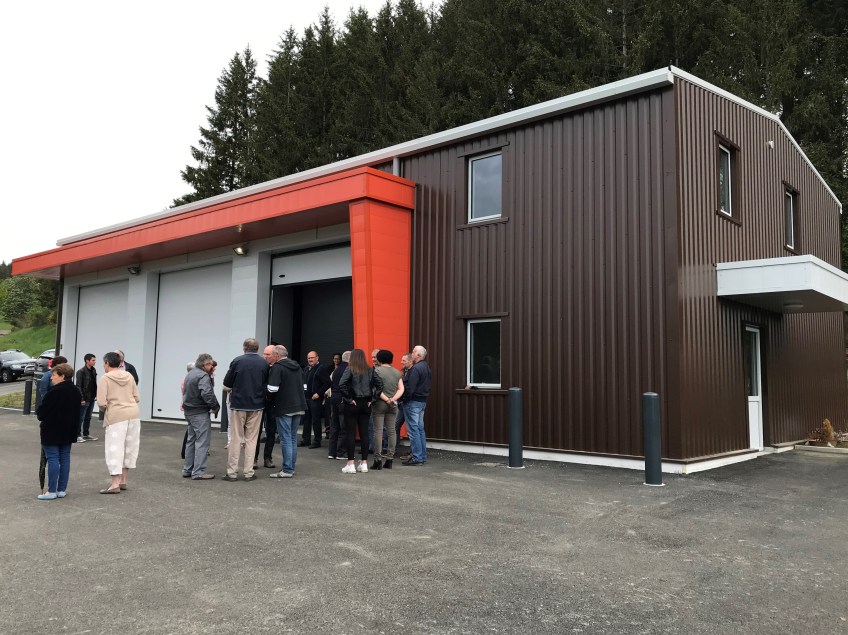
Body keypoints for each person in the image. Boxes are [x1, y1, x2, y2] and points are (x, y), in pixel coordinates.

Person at [222, 338, 268, 482]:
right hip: (257, 405)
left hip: (238, 404)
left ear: (244, 348)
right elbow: (266, 384)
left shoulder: (237, 361)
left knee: (236, 438)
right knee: (251, 439)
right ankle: (249, 472)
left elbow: (227, 382)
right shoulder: (264, 363)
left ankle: (232, 473)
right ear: (257, 349)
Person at [96, 351, 141, 493]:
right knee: (129, 447)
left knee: (114, 448)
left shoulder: (105, 378)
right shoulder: (129, 376)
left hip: (116, 415)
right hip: (133, 414)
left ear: (107, 363)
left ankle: (115, 483)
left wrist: (109, 408)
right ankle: (123, 480)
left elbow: (101, 402)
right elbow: (137, 397)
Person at [36, 363, 81, 500]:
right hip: (69, 429)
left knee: (53, 458)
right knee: (65, 458)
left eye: (54, 375)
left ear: (62, 376)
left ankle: (51, 491)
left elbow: (41, 413)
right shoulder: (76, 391)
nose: (51, 378)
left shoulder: (54, 392)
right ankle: (61, 489)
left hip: (52, 430)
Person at [339, 348, 383, 474]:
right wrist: (373, 399)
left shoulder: (350, 369)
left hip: (353, 403)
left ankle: (351, 464)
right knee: (365, 433)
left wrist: (349, 399)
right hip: (366, 404)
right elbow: (380, 385)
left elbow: (341, 384)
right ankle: (364, 463)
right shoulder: (370, 370)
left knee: (351, 433)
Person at [267, 345, 307, 478]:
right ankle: (291, 467)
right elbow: (305, 387)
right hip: (299, 406)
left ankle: (287, 469)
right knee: (293, 437)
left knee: (285, 439)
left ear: (277, 355)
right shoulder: (297, 367)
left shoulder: (277, 367)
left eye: (272, 355)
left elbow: (272, 389)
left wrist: (268, 398)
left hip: (284, 407)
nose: (271, 357)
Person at [181, 354, 220, 480]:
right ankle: (198, 472)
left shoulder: (190, 374)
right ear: (205, 365)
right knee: (202, 442)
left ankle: (187, 469)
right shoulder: (203, 376)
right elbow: (207, 393)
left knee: (191, 440)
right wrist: (215, 406)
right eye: (211, 365)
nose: (212, 367)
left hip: (189, 411)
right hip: (199, 412)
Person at [371, 349, 404, 470]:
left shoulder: (376, 371)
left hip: (379, 404)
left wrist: (386, 399)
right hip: (393, 405)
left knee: (378, 431)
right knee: (391, 431)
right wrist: (392, 399)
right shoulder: (397, 372)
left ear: (379, 359)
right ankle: (389, 459)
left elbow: (375, 389)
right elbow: (401, 389)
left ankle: (378, 460)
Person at [254, 345, 282, 469]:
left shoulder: (278, 368)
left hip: (273, 404)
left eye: (268, 354)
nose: (265, 356)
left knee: (271, 431)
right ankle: (254, 459)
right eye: (264, 354)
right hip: (259, 402)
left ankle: (268, 458)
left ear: (275, 355)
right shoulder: (259, 366)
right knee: (256, 431)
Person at [403, 345, 431, 466]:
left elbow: (410, 388)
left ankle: (417, 457)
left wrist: (403, 399)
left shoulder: (416, 368)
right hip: (422, 402)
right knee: (419, 429)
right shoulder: (426, 367)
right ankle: (421, 456)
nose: (412, 353)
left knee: (413, 430)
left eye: (413, 352)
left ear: (418, 355)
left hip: (413, 402)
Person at [300, 351, 331, 448]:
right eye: (308, 358)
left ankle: (317, 441)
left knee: (316, 420)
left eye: (312, 358)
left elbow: (327, 383)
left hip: (315, 399)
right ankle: (306, 440)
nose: (310, 360)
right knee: (306, 420)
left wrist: (318, 393)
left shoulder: (321, 369)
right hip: (306, 398)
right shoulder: (306, 368)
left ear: (317, 358)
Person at [327, 350, 350, 460]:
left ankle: (331, 452)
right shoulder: (348, 369)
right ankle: (341, 453)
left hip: (334, 398)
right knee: (344, 427)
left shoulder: (336, 370)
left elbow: (331, 382)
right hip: (342, 399)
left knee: (334, 426)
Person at [75, 353, 98, 442]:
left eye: (95, 360)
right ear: (87, 361)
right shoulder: (81, 372)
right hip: (84, 398)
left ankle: (86, 434)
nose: (95, 362)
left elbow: (94, 384)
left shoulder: (93, 370)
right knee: (81, 417)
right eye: (93, 360)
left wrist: (96, 395)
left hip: (91, 397)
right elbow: (78, 386)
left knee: (88, 417)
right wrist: (81, 398)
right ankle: (77, 435)